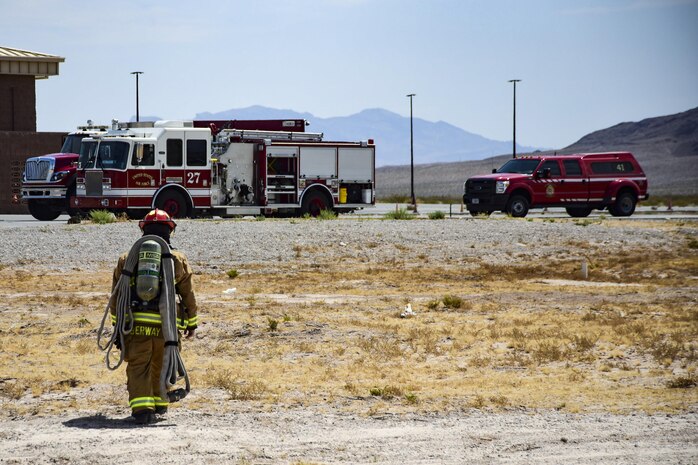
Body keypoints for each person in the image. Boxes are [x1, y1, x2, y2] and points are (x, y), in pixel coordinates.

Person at [108, 209, 198, 424]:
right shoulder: (178, 260)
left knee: (139, 366)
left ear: (143, 229)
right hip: (167, 327)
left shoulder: (127, 258)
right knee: (163, 363)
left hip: (136, 325)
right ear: (170, 230)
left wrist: (117, 329)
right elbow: (188, 295)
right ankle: (160, 404)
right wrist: (192, 323)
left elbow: (116, 296)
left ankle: (142, 411)